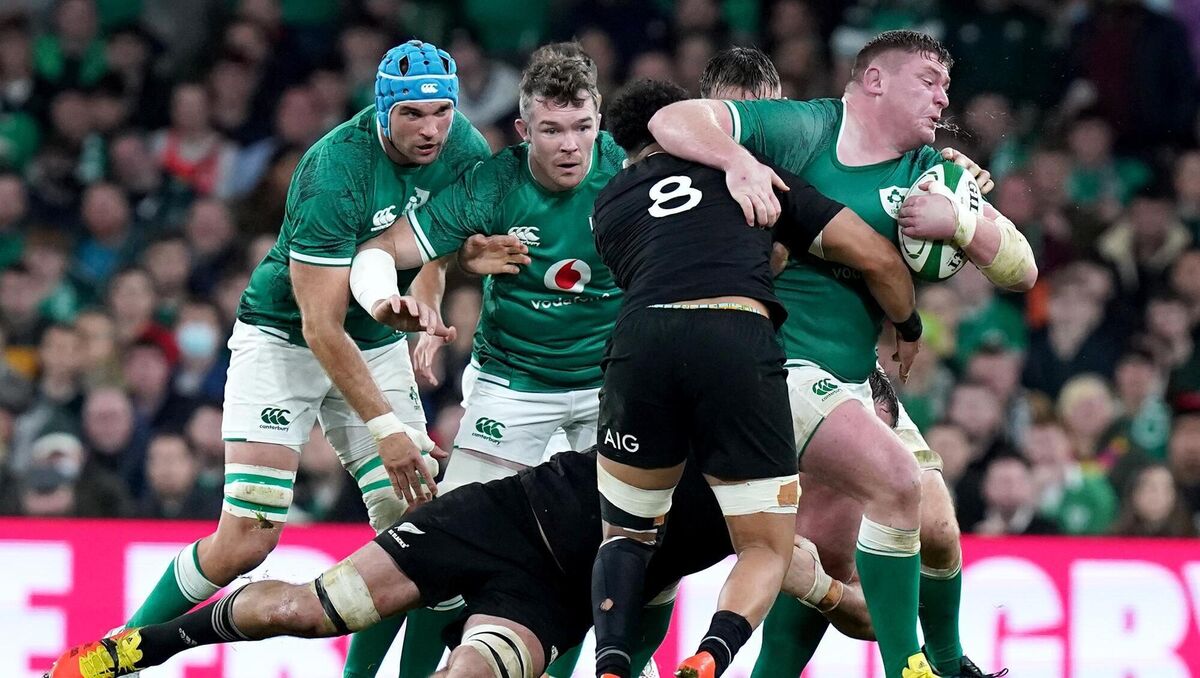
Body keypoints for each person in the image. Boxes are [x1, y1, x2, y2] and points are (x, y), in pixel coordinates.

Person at [115, 39, 518, 678]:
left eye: (441, 111)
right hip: (285, 336)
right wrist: (385, 429)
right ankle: (117, 655)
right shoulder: (335, 168)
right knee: (246, 540)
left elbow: (442, 228)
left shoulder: (464, 146)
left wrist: (429, 288)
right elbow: (321, 326)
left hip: (377, 335)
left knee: (421, 526)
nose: (432, 128)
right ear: (383, 110)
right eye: (413, 114)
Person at [650, 36, 1035, 678]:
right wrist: (740, 163)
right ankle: (912, 666)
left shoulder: (924, 171)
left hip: (855, 377)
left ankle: (945, 660)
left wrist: (961, 222)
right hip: (776, 366)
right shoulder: (804, 126)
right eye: (929, 80)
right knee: (891, 488)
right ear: (876, 81)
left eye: (947, 84)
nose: (944, 97)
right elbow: (672, 120)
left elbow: (1022, 270)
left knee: (932, 526)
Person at [588, 79, 919, 678]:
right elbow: (873, 255)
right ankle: (713, 655)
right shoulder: (752, 171)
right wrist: (908, 322)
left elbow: (665, 260)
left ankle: (610, 663)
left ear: (623, 147)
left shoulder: (606, 204)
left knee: (628, 537)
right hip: (738, 342)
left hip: (642, 344)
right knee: (766, 546)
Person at [347, 41, 622, 676]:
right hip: (513, 384)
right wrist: (390, 297)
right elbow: (381, 250)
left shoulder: (633, 177)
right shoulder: (492, 185)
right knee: (446, 546)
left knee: (613, 553)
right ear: (524, 130)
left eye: (582, 127)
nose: (569, 145)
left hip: (613, 387)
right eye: (551, 130)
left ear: (600, 119)